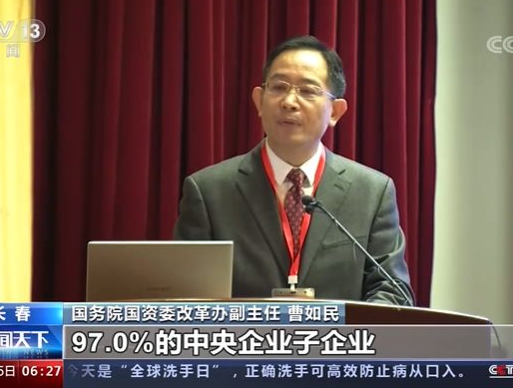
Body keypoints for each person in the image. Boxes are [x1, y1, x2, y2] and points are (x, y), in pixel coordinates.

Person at [173, 36, 413, 305]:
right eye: (278, 87)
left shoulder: (371, 192)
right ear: (259, 101)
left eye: (308, 91)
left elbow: (393, 290)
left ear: (335, 111)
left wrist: (345, 329)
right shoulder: (209, 191)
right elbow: (186, 296)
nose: (289, 101)